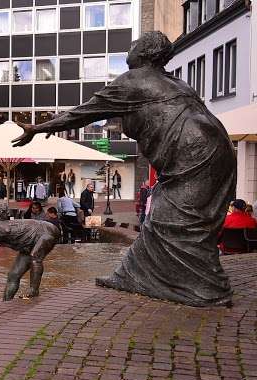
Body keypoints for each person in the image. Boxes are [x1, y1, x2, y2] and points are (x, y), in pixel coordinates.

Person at [13, 31, 236, 307]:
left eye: (134, 45)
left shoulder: (133, 80)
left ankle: (204, 289)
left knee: (173, 221)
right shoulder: (175, 82)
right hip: (218, 147)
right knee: (175, 221)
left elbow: (82, 113)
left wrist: (37, 128)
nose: (129, 49)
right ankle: (134, 275)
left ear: (146, 53)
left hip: (194, 152)